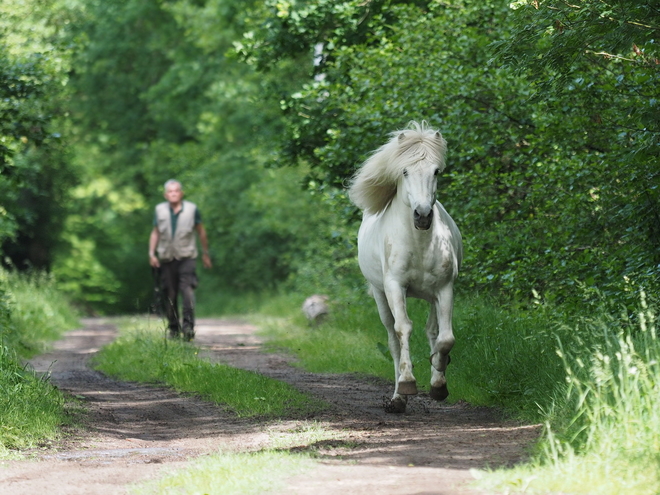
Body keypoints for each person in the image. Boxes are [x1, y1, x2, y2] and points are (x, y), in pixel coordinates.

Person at [148, 179, 212, 340]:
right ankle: (174, 329)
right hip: (167, 257)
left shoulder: (191, 209)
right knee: (170, 294)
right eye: (170, 191)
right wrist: (151, 254)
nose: (173, 193)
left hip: (187, 256)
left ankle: (188, 327)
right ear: (165, 194)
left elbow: (201, 231)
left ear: (181, 193)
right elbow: (155, 232)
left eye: (176, 190)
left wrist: (205, 253)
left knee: (187, 290)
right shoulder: (160, 210)